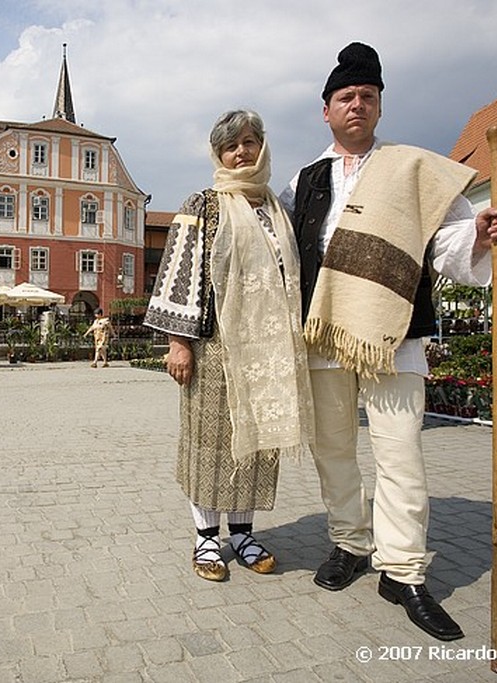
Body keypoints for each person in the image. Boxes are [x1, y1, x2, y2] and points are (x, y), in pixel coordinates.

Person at [280, 42, 497, 641]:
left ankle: (404, 571)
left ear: (380, 106)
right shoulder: (300, 183)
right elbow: (279, 257)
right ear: (326, 110)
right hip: (323, 339)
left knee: (400, 455)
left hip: (395, 333)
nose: (356, 105)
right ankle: (350, 543)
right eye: (345, 97)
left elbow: (454, 246)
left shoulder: (414, 169)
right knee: (333, 450)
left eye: (367, 97)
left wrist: (485, 235)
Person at [145, 110, 315, 582]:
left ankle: (242, 533)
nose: (242, 151)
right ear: (217, 152)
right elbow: (180, 275)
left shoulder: (278, 210)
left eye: (250, 141)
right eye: (231, 144)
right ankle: (205, 537)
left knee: (258, 447)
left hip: (268, 352)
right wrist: (178, 344)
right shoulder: (204, 205)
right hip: (214, 348)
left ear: (263, 147)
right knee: (211, 446)